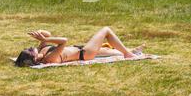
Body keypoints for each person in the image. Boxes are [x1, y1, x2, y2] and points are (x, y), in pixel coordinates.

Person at [14, 27, 149, 67]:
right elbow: (63, 41)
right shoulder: (49, 59)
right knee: (106, 31)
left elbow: (47, 34)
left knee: (111, 51)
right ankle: (128, 54)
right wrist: (46, 39)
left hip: (80, 48)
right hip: (84, 53)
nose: (31, 47)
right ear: (35, 59)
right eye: (30, 51)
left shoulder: (42, 51)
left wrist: (40, 34)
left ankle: (131, 51)